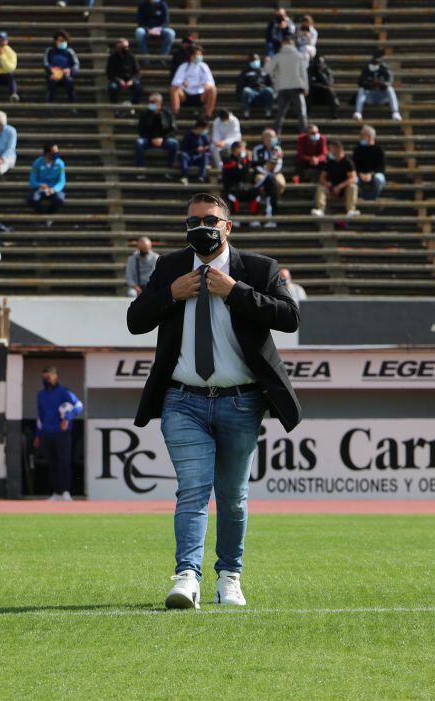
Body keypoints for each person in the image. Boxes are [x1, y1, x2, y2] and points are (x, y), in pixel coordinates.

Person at [127, 192, 301, 610]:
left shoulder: (259, 269)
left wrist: (235, 291)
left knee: (233, 496)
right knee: (192, 489)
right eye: (191, 222)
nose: (199, 227)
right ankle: (187, 576)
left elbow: (290, 318)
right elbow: (135, 320)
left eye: (209, 219)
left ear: (227, 226)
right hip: (182, 399)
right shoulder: (170, 267)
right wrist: (170, 292)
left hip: (241, 401)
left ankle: (230, 576)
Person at [34, 365, 83, 501]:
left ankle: (66, 491)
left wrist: (68, 418)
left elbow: (79, 406)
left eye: (48, 377)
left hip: (62, 433)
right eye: (44, 378)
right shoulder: (41, 395)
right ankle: (56, 492)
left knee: (64, 462)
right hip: (47, 433)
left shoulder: (64, 392)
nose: (46, 380)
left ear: (55, 377)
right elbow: (40, 416)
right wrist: (38, 435)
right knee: (52, 463)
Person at [265, 32, 308, 135]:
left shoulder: (278, 56)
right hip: (297, 87)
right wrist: (306, 87)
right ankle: (304, 135)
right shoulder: (298, 56)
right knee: (301, 113)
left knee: (281, 113)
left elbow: (267, 70)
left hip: (283, 87)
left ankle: (276, 135)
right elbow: (303, 72)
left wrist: (275, 75)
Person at [311, 139, 358, 217]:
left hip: (344, 190)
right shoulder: (329, 162)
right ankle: (320, 210)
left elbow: (353, 178)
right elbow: (322, 178)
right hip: (330, 189)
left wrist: (340, 186)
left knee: (353, 187)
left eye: (332, 149)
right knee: (320, 188)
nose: (330, 151)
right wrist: (326, 183)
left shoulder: (348, 162)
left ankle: (350, 210)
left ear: (338, 149)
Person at [250, 127, 284, 227]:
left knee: (280, 183)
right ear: (263, 138)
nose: (271, 139)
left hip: (275, 173)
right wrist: (266, 172)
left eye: (273, 137)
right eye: (269, 137)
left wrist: (271, 172)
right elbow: (256, 165)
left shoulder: (278, 149)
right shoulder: (257, 149)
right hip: (261, 173)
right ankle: (265, 199)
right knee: (260, 180)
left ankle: (273, 201)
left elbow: (279, 165)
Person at [354, 50, 401, 122]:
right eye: (373, 63)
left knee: (390, 89)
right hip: (370, 95)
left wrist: (380, 83)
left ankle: (395, 112)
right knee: (362, 90)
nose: (374, 64)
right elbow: (360, 82)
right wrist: (371, 83)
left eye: (376, 63)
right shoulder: (367, 69)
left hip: (382, 96)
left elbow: (389, 82)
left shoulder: (385, 69)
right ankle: (358, 112)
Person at [170, 44, 216, 117]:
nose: (199, 56)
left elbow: (211, 82)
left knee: (213, 89)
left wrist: (207, 85)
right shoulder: (184, 66)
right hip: (186, 96)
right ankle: (176, 113)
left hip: (200, 96)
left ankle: (208, 114)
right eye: (197, 54)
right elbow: (175, 82)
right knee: (174, 89)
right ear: (191, 56)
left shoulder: (204, 66)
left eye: (200, 55)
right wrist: (182, 83)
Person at [135, 93, 178, 169]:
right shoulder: (145, 113)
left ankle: (170, 168)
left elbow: (173, 130)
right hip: (149, 139)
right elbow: (140, 130)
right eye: (149, 102)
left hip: (164, 140)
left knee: (174, 143)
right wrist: (152, 138)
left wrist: (163, 138)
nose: (150, 104)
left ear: (159, 102)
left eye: (153, 102)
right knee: (139, 142)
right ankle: (140, 168)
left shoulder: (167, 113)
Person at [221, 140, 257, 219]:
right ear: (236, 149)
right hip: (231, 187)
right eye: (243, 148)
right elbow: (239, 172)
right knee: (232, 197)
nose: (245, 150)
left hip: (242, 187)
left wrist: (248, 161)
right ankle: (235, 218)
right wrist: (248, 161)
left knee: (255, 193)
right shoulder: (228, 160)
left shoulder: (242, 159)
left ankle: (254, 219)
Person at [28, 143, 66, 215]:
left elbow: (62, 181)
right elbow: (32, 180)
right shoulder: (37, 163)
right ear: (47, 153)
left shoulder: (60, 163)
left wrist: (54, 189)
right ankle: (43, 215)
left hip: (54, 188)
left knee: (60, 200)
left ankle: (48, 217)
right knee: (31, 199)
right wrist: (40, 185)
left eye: (57, 151)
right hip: (40, 188)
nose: (57, 154)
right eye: (54, 152)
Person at [353, 124, 387, 201]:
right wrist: (360, 174)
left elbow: (382, 167)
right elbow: (353, 165)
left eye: (363, 135)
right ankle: (360, 196)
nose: (361, 137)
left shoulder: (378, 149)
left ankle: (373, 197)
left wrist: (371, 174)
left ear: (370, 137)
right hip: (360, 174)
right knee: (353, 180)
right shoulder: (358, 149)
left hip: (374, 174)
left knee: (379, 179)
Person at [44, 30, 79, 103]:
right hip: (53, 75)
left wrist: (70, 70)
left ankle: (73, 106)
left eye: (63, 40)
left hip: (66, 75)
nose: (62, 42)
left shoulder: (70, 51)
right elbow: (46, 64)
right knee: (52, 83)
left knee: (70, 82)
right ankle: (49, 106)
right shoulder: (49, 51)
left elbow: (76, 65)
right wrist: (52, 71)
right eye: (60, 40)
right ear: (55, 41)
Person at [236, 53, 274, 120]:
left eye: (256, 60)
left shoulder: (264, 71)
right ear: (249, 62)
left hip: (263, 92)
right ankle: (246, 113)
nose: (255, 61)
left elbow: (270, 83)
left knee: (269, 90)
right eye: (253, 60)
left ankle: (268, 112)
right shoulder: (245, 72)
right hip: (251, 94)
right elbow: (240, 86)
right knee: (246, 90)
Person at [106, 38, 142, 105]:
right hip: (117, 80)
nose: (126, 49)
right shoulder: (112, 58)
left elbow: (137, 72)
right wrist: (119, 80)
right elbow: (109, 73)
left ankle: (134, 104)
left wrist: (131, 80)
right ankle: (115, 107)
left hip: (130, 79)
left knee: (138, 87)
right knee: (112, 88)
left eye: (126, 47)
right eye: (123, 47)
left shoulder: (132, 57)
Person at [178, 117, 210, 184]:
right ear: (199, 127)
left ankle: (201, 176)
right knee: (183, 155)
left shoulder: (204, 136)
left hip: (199, 158)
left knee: (206, 155)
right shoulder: (188, 135)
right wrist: (195, 150)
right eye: (204, 129)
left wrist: (204, 148)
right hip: (190, 157)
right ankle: (185, 176)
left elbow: (208, 145)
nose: (205, 131)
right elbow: (184, 149)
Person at [307, 52, 339, 119]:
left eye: (321, 62)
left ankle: (333, 113)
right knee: (310, 90)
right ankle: (307, 114)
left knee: (330, 91)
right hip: (313, 95)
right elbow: (311, 84)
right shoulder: (310, 70)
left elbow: (329, 83)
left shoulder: (327, 71)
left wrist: (321, 73)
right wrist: (323, 86)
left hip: (324, 96)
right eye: (318, 62)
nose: (320, 64)